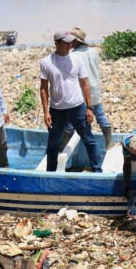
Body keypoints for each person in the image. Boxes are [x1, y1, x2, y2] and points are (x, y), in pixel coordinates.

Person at [40, 30, 101, 173]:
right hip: (57, 110)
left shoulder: (77, 60)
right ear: (57, 43)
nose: (69, 45)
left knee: (89, 140)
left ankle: (97, 171)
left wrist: (89, 107)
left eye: (70, 42)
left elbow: (84, 83)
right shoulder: (46, 62)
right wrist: (46, 112)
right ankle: (50, 173)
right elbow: (43, 89)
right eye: (66, 42)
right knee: (53, 144)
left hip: (77, 107)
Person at [59, 27, 113, 151]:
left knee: (70, 121)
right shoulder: (92, 51)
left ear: (76, 41)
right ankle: (109, 143)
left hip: (82, 91)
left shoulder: (73, 55)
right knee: (100, 115)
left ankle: (63, 147)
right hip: (95, 88)